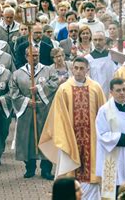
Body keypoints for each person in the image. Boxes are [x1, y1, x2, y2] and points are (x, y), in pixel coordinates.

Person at [39, 57, 106, 200]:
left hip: (92, 140)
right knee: (71, 175)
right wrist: (64, 137)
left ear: (87, 70)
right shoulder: (64, 89)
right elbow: (58, 116)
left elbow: (103, 115)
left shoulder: (96, 88)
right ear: (72, 68)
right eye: (76, 68)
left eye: (82, 68)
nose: (78, 71)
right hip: (71, 138)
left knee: (92, 179)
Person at [10, 47, 58, 179]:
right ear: (26, 57)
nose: (34, 58)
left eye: (36, 55)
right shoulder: (18, 74)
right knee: (28, 139)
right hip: (27, 110)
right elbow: (14, 92)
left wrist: (40, 89)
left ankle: (46, 169)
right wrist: (26, 101)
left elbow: (54, 84)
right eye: (31, 55)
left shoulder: (48, 70)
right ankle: (30, 167)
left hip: (44, 110)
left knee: (45, 138)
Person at [85, 31, 118, 96]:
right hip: (95, 92)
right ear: (92, 41)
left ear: (105, 40)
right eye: (95, 40)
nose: (97, 42)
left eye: (100, 39)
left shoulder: (113, 55)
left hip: (112, 92)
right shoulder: (87, 59)